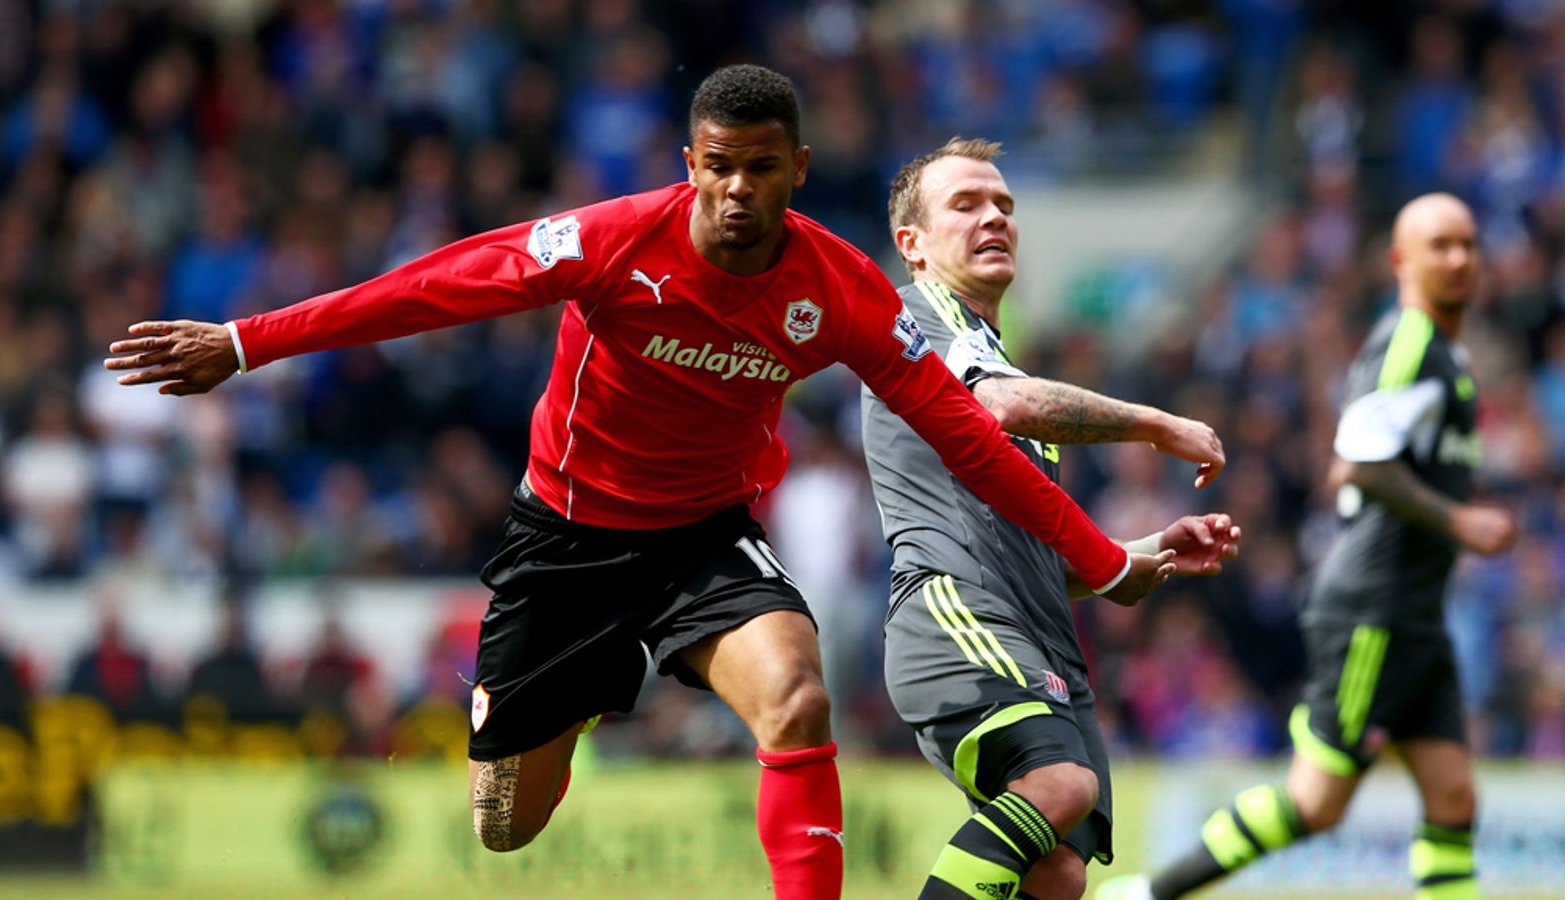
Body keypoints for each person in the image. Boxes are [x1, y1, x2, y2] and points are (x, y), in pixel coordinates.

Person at [104, 65, 1175, 900]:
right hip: (565, 538)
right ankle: (558, 706)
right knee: (505, 823)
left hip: (702, 538)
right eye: (719, 166)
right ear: (691, 161)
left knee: (797, 697)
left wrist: (1099, 558)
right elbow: (433, 288)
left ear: (798, 168)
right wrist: (246, 343)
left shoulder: (839, 289)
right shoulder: (615, 240)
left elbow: (969, 439)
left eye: (762, 167)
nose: (738, 189)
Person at [1097, 193, 1517, 900]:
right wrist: (1459, 521)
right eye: (1439, 244)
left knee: (1453, 799)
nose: (1458, 258)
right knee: (1316, 802)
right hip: (1371, 609)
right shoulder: (1408, 343)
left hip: (1415, 616)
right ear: (1400, 261)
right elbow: (1353, 462)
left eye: (1469, 244)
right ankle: (1147, 894)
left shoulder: (1449, 355)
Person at [862, 137, 1242, 900]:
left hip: (1026, 626)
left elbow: (1044, 560)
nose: (994, 217)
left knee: (1057, 877)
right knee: (1059, 782)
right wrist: (1159, 423)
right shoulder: (914, 314)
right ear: (914, 245)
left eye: (1003, 204)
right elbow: (1006, 405)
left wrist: (1147, 554)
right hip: (954, 611)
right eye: (965, 205)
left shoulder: (993, 352)